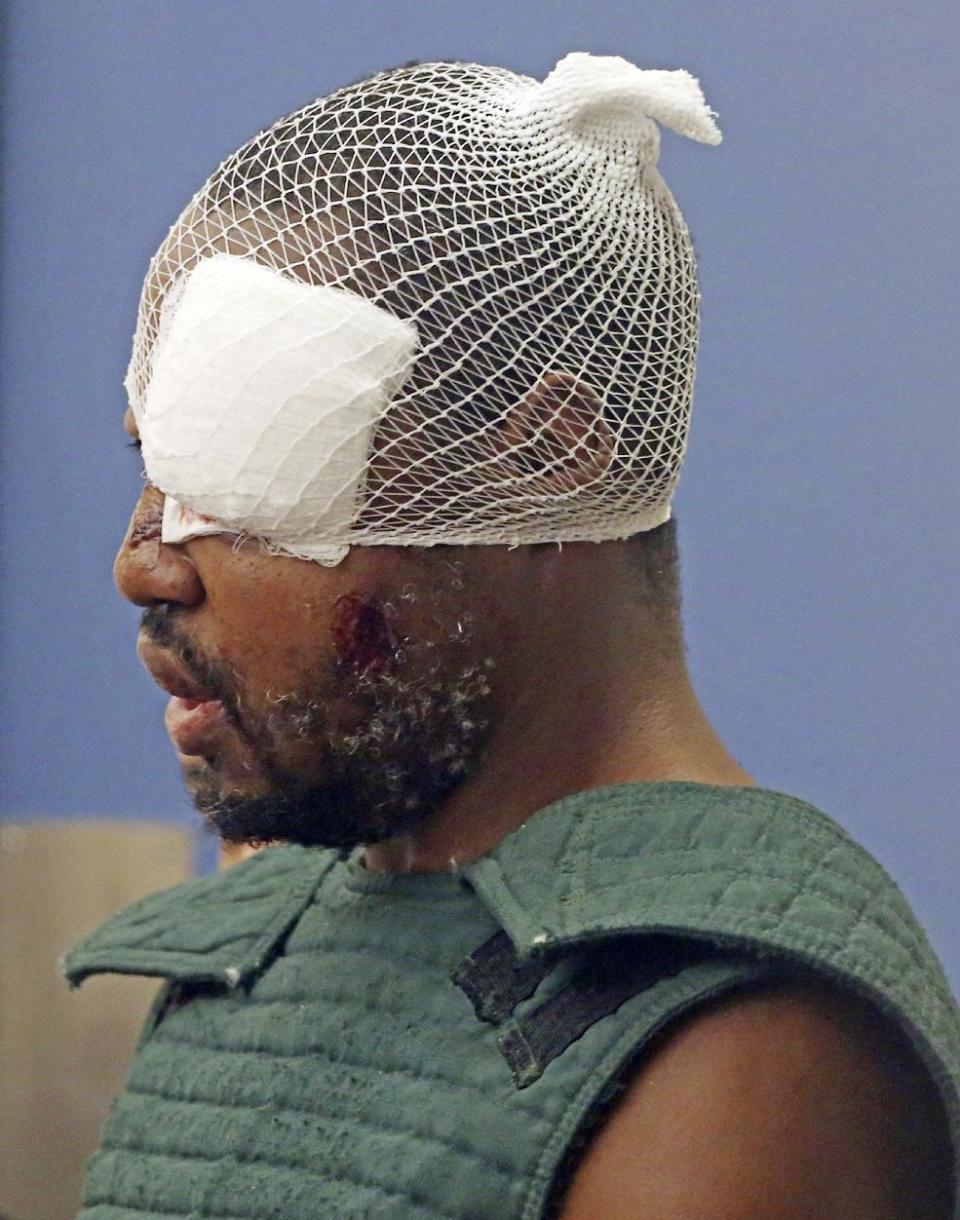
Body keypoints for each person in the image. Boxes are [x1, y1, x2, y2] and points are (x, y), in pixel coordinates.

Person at [66, 54, 959, 1218]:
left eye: (241, 471)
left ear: (545, 461)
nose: (142, 563)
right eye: (152, 462)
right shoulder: (255, 954)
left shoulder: (732, 1036)